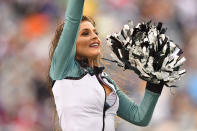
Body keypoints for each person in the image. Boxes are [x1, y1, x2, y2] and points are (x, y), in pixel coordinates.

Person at [48, 0, 163, 131]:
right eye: (85, 33)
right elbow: (72, 21)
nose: (95, 37)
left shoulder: (104, 80)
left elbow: (140, 117)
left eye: (95, 33)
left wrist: (157, 78)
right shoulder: (62, 69)